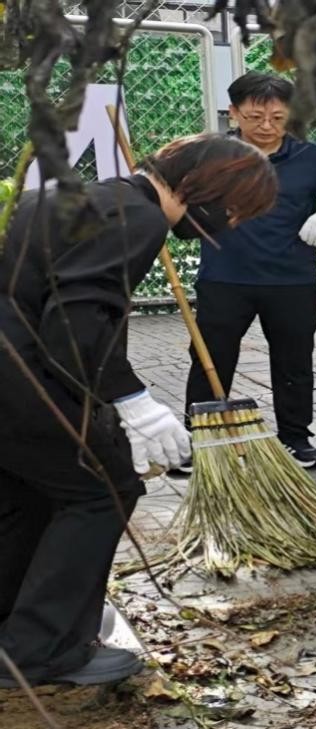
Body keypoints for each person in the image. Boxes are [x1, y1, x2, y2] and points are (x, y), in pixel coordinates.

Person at [0, 134, 277, 688]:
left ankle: (22, 626)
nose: (230, 224)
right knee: (102, 490)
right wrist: (133, 402)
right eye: (233, 210)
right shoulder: (136, 217)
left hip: (12, 372)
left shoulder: (84, 196)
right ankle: (40, 652)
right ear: (205, 189)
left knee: (29, 494)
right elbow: (74, 324)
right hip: (20, 376)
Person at [178, 72, 316, 472]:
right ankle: (199, 438)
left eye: (278, 118)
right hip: (224, 277)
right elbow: (176, 197)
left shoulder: (310, 157)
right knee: (210, 357)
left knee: (293, 360)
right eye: (254, 116)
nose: (266, 126)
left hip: (292, 278)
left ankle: (295, 439)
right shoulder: (211, 156)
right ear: (233, 112)